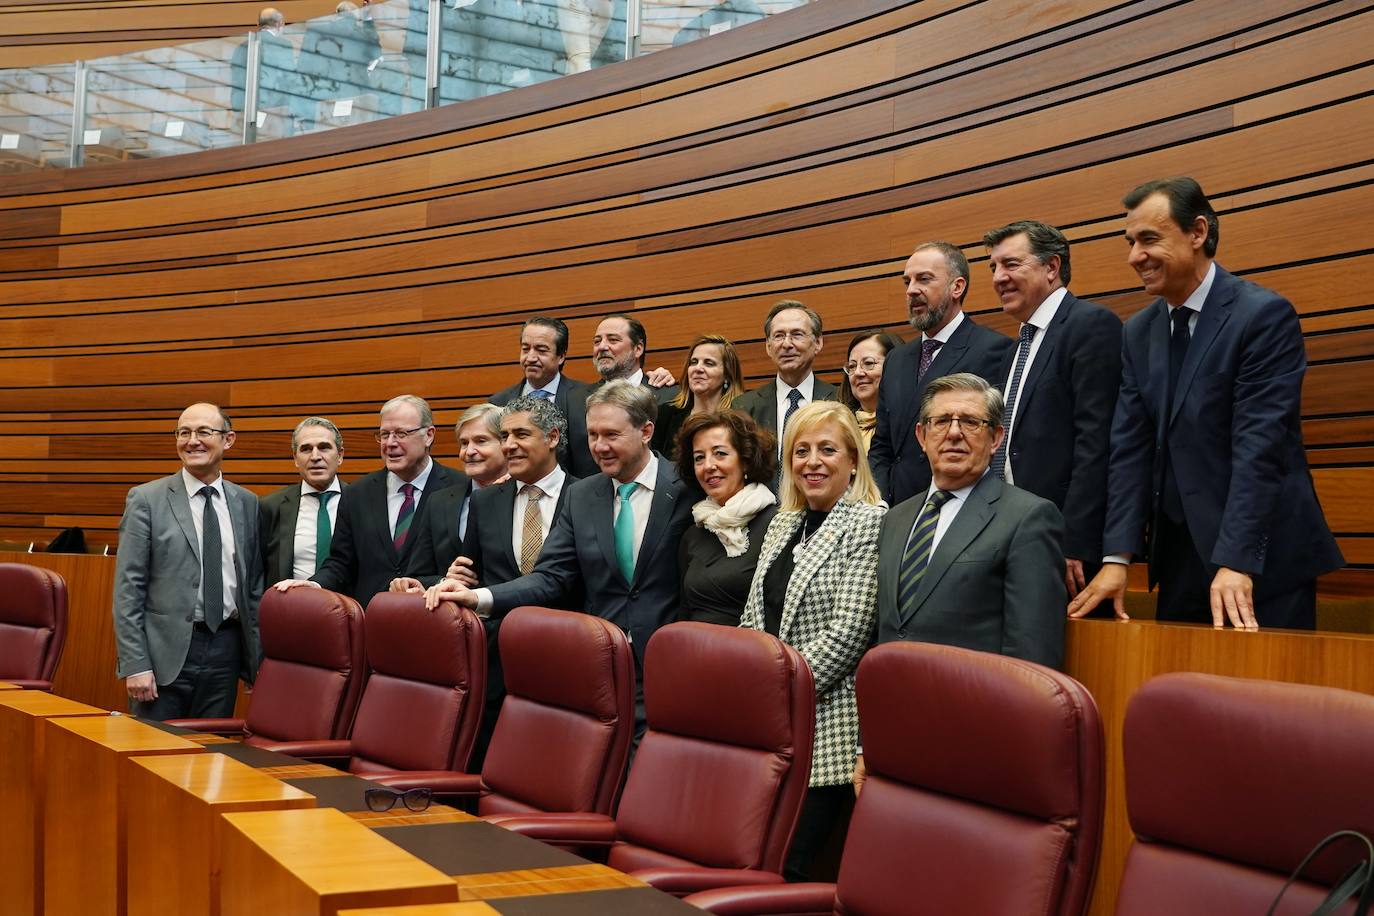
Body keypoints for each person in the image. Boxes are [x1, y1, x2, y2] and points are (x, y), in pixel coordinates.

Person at [1070, 177, 1343, 629]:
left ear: (1197, 233)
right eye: (1131, 241)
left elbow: (1262, 448)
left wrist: (1236, 562)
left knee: (1265, 699)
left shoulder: (1262, 316)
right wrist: (1116, 556)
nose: (1135, 256)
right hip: (1181, 562)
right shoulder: (1138, 332)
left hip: (1260, 561)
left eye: (1149, 239)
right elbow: (1129, 451)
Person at [424, 380, 694, 734]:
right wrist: (478, 597)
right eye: (592, 435)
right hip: (598, 662)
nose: (600, 446)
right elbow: (551, 575)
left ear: (646, 431)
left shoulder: (688, 486)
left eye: (611, 434)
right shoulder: (582, 496)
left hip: (668, 662)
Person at [740, 400, 886, 882]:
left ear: (852, 460)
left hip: (827, 727)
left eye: (827, 449)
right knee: (749, 861)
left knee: (790, 867)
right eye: (800, 451)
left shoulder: (868, 521)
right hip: (766, 726)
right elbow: (753, 615)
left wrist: (774, 692)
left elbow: (849, 632)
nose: (812, 462)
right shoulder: (783, 522)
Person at [397, 396, 576, 770]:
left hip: (567, 659)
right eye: (506, 434)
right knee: (492, 768)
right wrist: (441, 584)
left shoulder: (587, 495)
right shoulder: (487, 502)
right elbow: (468, 573)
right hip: (498, 666)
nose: (509, 444)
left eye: (521, 434)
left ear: (553, 436)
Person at [874, 372, 1067, 664]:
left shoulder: (1028, 518)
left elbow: (1032, 655)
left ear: (996, 438)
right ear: (922, 437)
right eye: (941, 421)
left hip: (972, 705)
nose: (954, 433)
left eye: (970, 422)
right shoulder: (894, 519)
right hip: (894, 700)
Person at [982, 220, 1122, 603]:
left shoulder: (1090, 326)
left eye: (1011, 264)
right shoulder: (1016, 348)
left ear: (1051, 267)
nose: (998, 277)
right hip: (1009, 533)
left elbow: (1097, 444)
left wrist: (1075, 540)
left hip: (1063, 545)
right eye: (993, 267)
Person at [113, 403, 264, 720]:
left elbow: (252, 588)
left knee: (211, 757)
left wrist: (255, 662)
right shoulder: (146, 500)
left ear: (228, 439)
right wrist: (136, 663)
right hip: (163, 654)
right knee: (153, 755)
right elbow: (129, 589)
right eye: (184, 432)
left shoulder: (247, 503)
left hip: (226, 649)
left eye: (203, 432)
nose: (192, 441)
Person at [274, 395, 466, 605]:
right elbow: (341, 562)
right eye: (384, 435)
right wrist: (316, 584)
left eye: (401, 433)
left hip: (437, 620)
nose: (390, 443)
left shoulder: (459, 489)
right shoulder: (357, 494)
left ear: (429, 435)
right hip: (371, 623)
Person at [869, 242, 1014, 506]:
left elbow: (994, 445)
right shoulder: (897, 359)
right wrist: (880, 500)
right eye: (907, 282)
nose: (912, 290)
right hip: (896, 512)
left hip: (962, 510)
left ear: (957, 287)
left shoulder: (995, 350)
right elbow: (882, 444)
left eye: (924, 279)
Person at [676, 410, 777, 625]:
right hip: (695, 650)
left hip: (751, 651)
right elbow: (684, 612)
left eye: (720, 453)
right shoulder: (693, 533)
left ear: (746, 461)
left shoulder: (776, 525)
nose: (709, 466)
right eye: (699, 458)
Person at [397, 403, 506, 589]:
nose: (469, 452)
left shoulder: (525, 496)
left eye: (481, 441)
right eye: (464, 443)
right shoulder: (439, 502)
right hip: (450, 615)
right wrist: (445, 581)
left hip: (507, 612)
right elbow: (417, 574)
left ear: (506, 444)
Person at [732, 300, 838, 469]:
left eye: (797, 334)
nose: (787, 344)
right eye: (779, 336)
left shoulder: (840, 401)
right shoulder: (744, 407)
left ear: (818, 343)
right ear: (768, 346)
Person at [490, 316, 596, 478]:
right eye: (526, 349)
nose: (530, 358)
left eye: (541, 350)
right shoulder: (498, 403)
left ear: (561, 356)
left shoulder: (587, 398)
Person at [259, 417, 346, 584]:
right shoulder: (271, 506)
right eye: (306, 449)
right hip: (289, 606)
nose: (315, 456)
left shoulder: (359, 502)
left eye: (324, 447)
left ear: (340, 455)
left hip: (349, 607)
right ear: (295, 458)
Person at [651, 334, 746, 457]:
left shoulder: (740, 418)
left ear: (727, 375)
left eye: (709, 363)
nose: (698, 368)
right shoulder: (665, 415)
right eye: (694, 362)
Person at [587, 313, 679, 403]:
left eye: (613, 340)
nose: (602, 347)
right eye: (597, 341)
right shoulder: (578, 398)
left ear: (638, 349)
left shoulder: (670, 397)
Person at [838, 330, 903, 450]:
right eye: (852, 366)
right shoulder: (837, 427)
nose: (857, 373)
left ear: (895, 365)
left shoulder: (909, 426)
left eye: (868, 363)